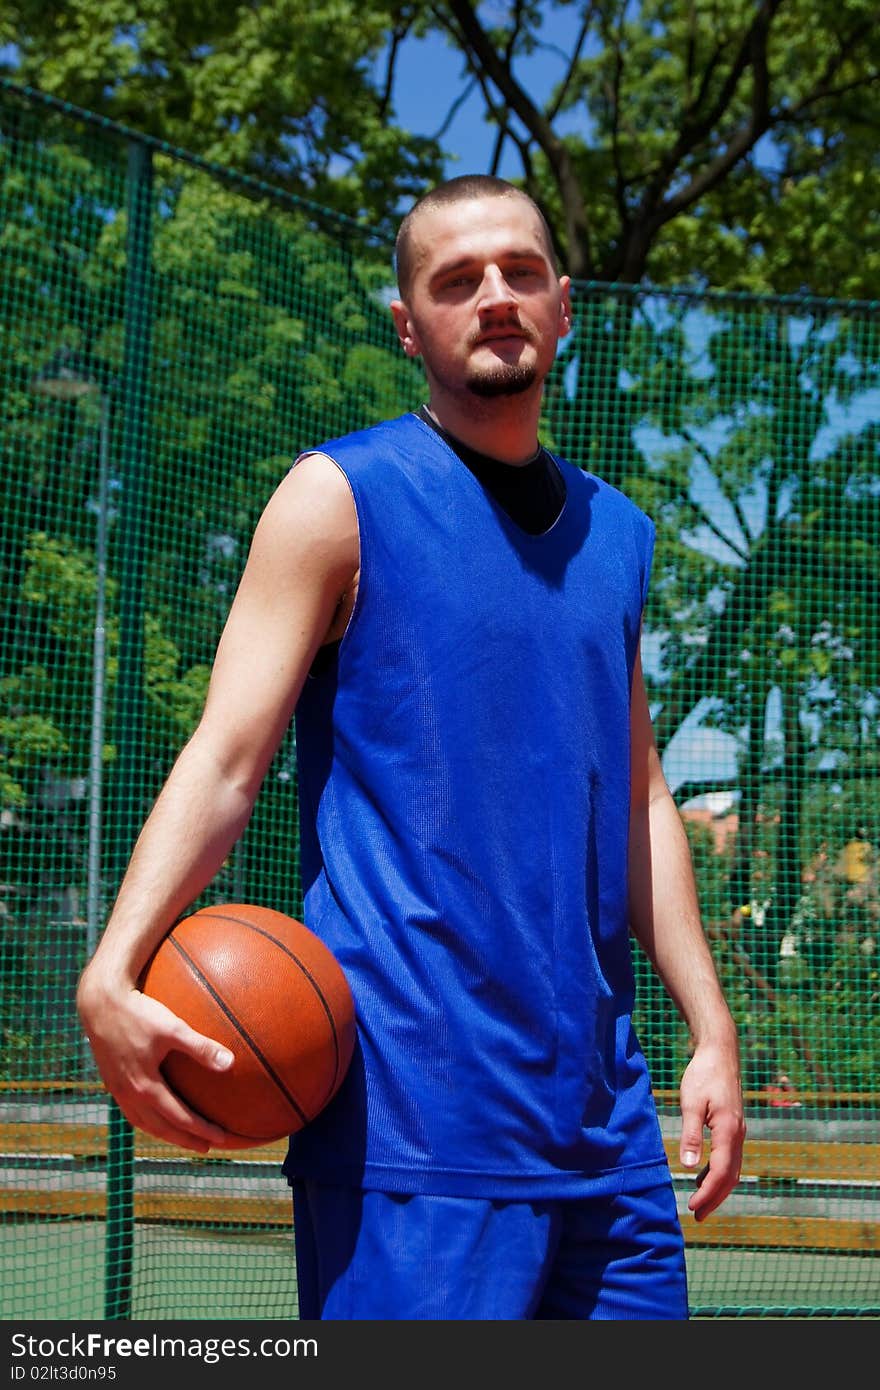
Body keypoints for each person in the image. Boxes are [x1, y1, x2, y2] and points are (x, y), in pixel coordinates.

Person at [77, 174, 745, 1320]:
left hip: (607, 1130)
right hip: (411, 1121)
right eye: (456, 280)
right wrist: (112, 962)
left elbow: (640, 797)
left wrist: (712, 1025)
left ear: (563, 304)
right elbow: (226, 757)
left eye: (520, 272)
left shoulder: (617, 535)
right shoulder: (338, 497)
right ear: (407, 324)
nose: (495, 296)